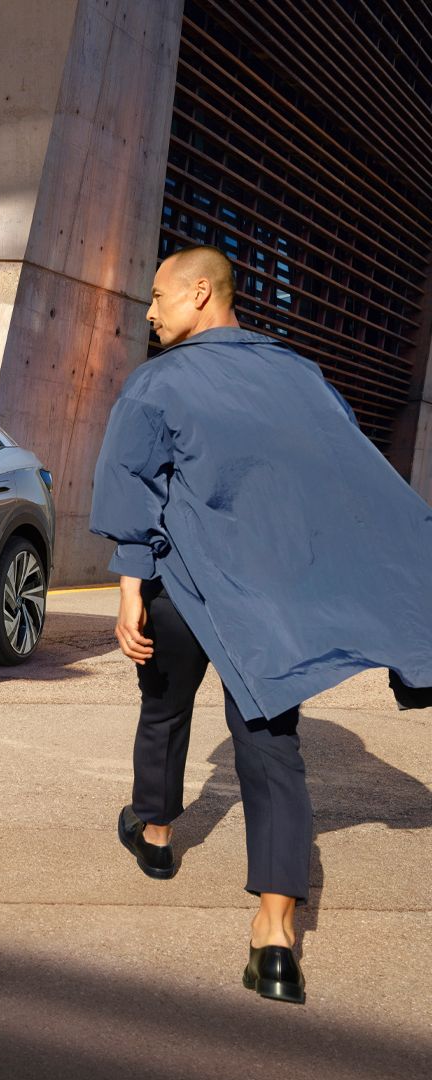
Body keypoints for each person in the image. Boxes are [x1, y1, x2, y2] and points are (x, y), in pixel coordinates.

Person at [89, 244, 432, 1005]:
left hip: (181, 588)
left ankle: (152, 835)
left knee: (163, 708)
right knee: (273, 753)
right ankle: (275, 939)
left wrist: (128, 588)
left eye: (156, 296)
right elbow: (347, 476)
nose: (147, 312)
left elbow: (131, 486)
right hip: (266, 604)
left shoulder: (157, 383)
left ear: (201, 293)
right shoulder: (300, 376)